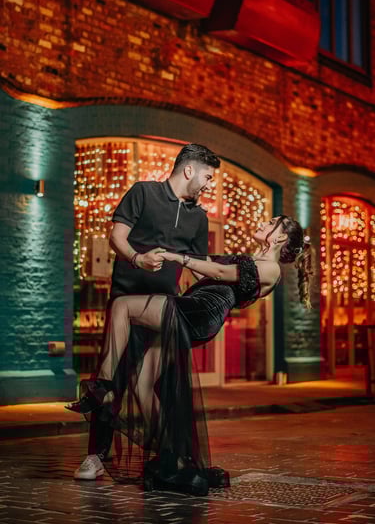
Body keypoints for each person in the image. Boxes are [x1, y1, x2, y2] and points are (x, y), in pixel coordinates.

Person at [67, 214, 314, 496]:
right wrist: (180, 250)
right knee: (141, 385)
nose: (262, 222)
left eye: (271, 222)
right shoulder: (250, 259)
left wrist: (178, 257)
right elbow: (207, 271)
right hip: (193, 309)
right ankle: (173, 454)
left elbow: (220, 274)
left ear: (281, 237)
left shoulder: (271, 269)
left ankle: (104, 386)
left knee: (123, 305)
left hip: (199, 312)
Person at [69, 143, 221, 480]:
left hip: (164, 309)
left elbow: (197, 267)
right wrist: (138, 259)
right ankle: (95, 456)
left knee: (158, 387)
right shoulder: (143, 193)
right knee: (115, 381)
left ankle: (168, 454)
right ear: (189, 170)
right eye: (208, 177)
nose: (210, 184)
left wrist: (226, 288)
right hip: (126, 298)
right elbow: (116, 237)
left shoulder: (199, 217)